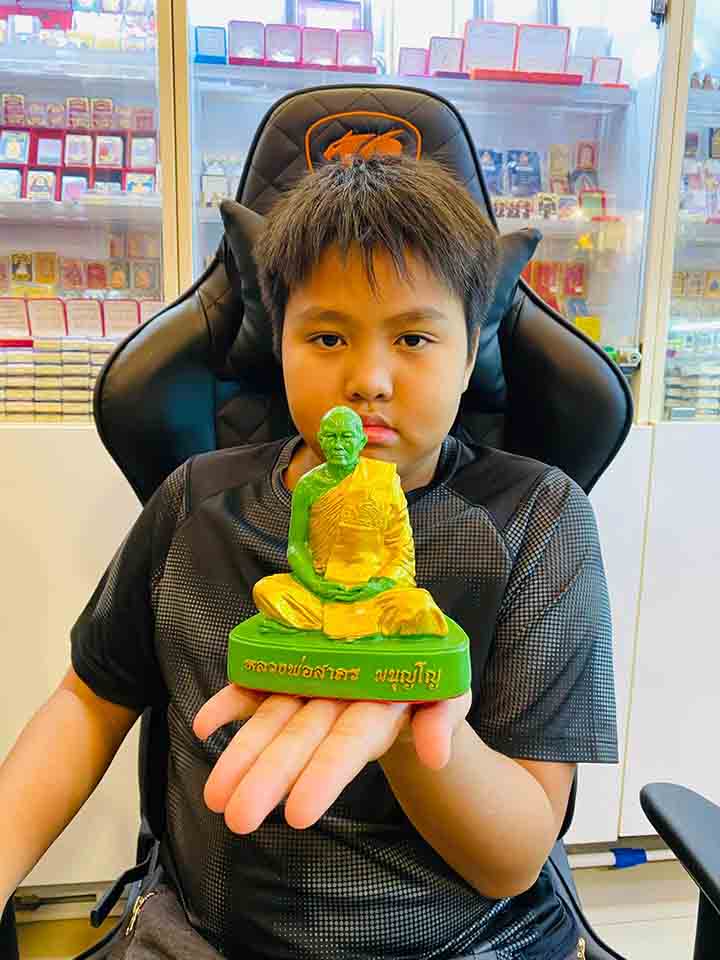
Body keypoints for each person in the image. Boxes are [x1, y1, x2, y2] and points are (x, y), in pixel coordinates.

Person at [0, 154, 616, 960]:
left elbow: (514, 859)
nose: (368, 380)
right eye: (327, 336)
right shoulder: (195, 502)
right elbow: (88, 702)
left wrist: (410, 720)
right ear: (279, 344)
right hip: (212, 934)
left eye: (414, 337)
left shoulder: (538, 517)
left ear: (471, 355)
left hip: (466, 941)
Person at [254, 404, 447, 640]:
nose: (338, 445)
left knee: (419, 605)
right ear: (321, 440)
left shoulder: (384, 481)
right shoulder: (308, 486)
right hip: (323, 587)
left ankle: (330, 621)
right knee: (267, 591)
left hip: (373, 589)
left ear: (361, 441)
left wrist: (379, 585)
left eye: (346, 437)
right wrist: (315, 584)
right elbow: (296, 545)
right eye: (330, 436)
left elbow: (401, 550)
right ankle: (361, 622)